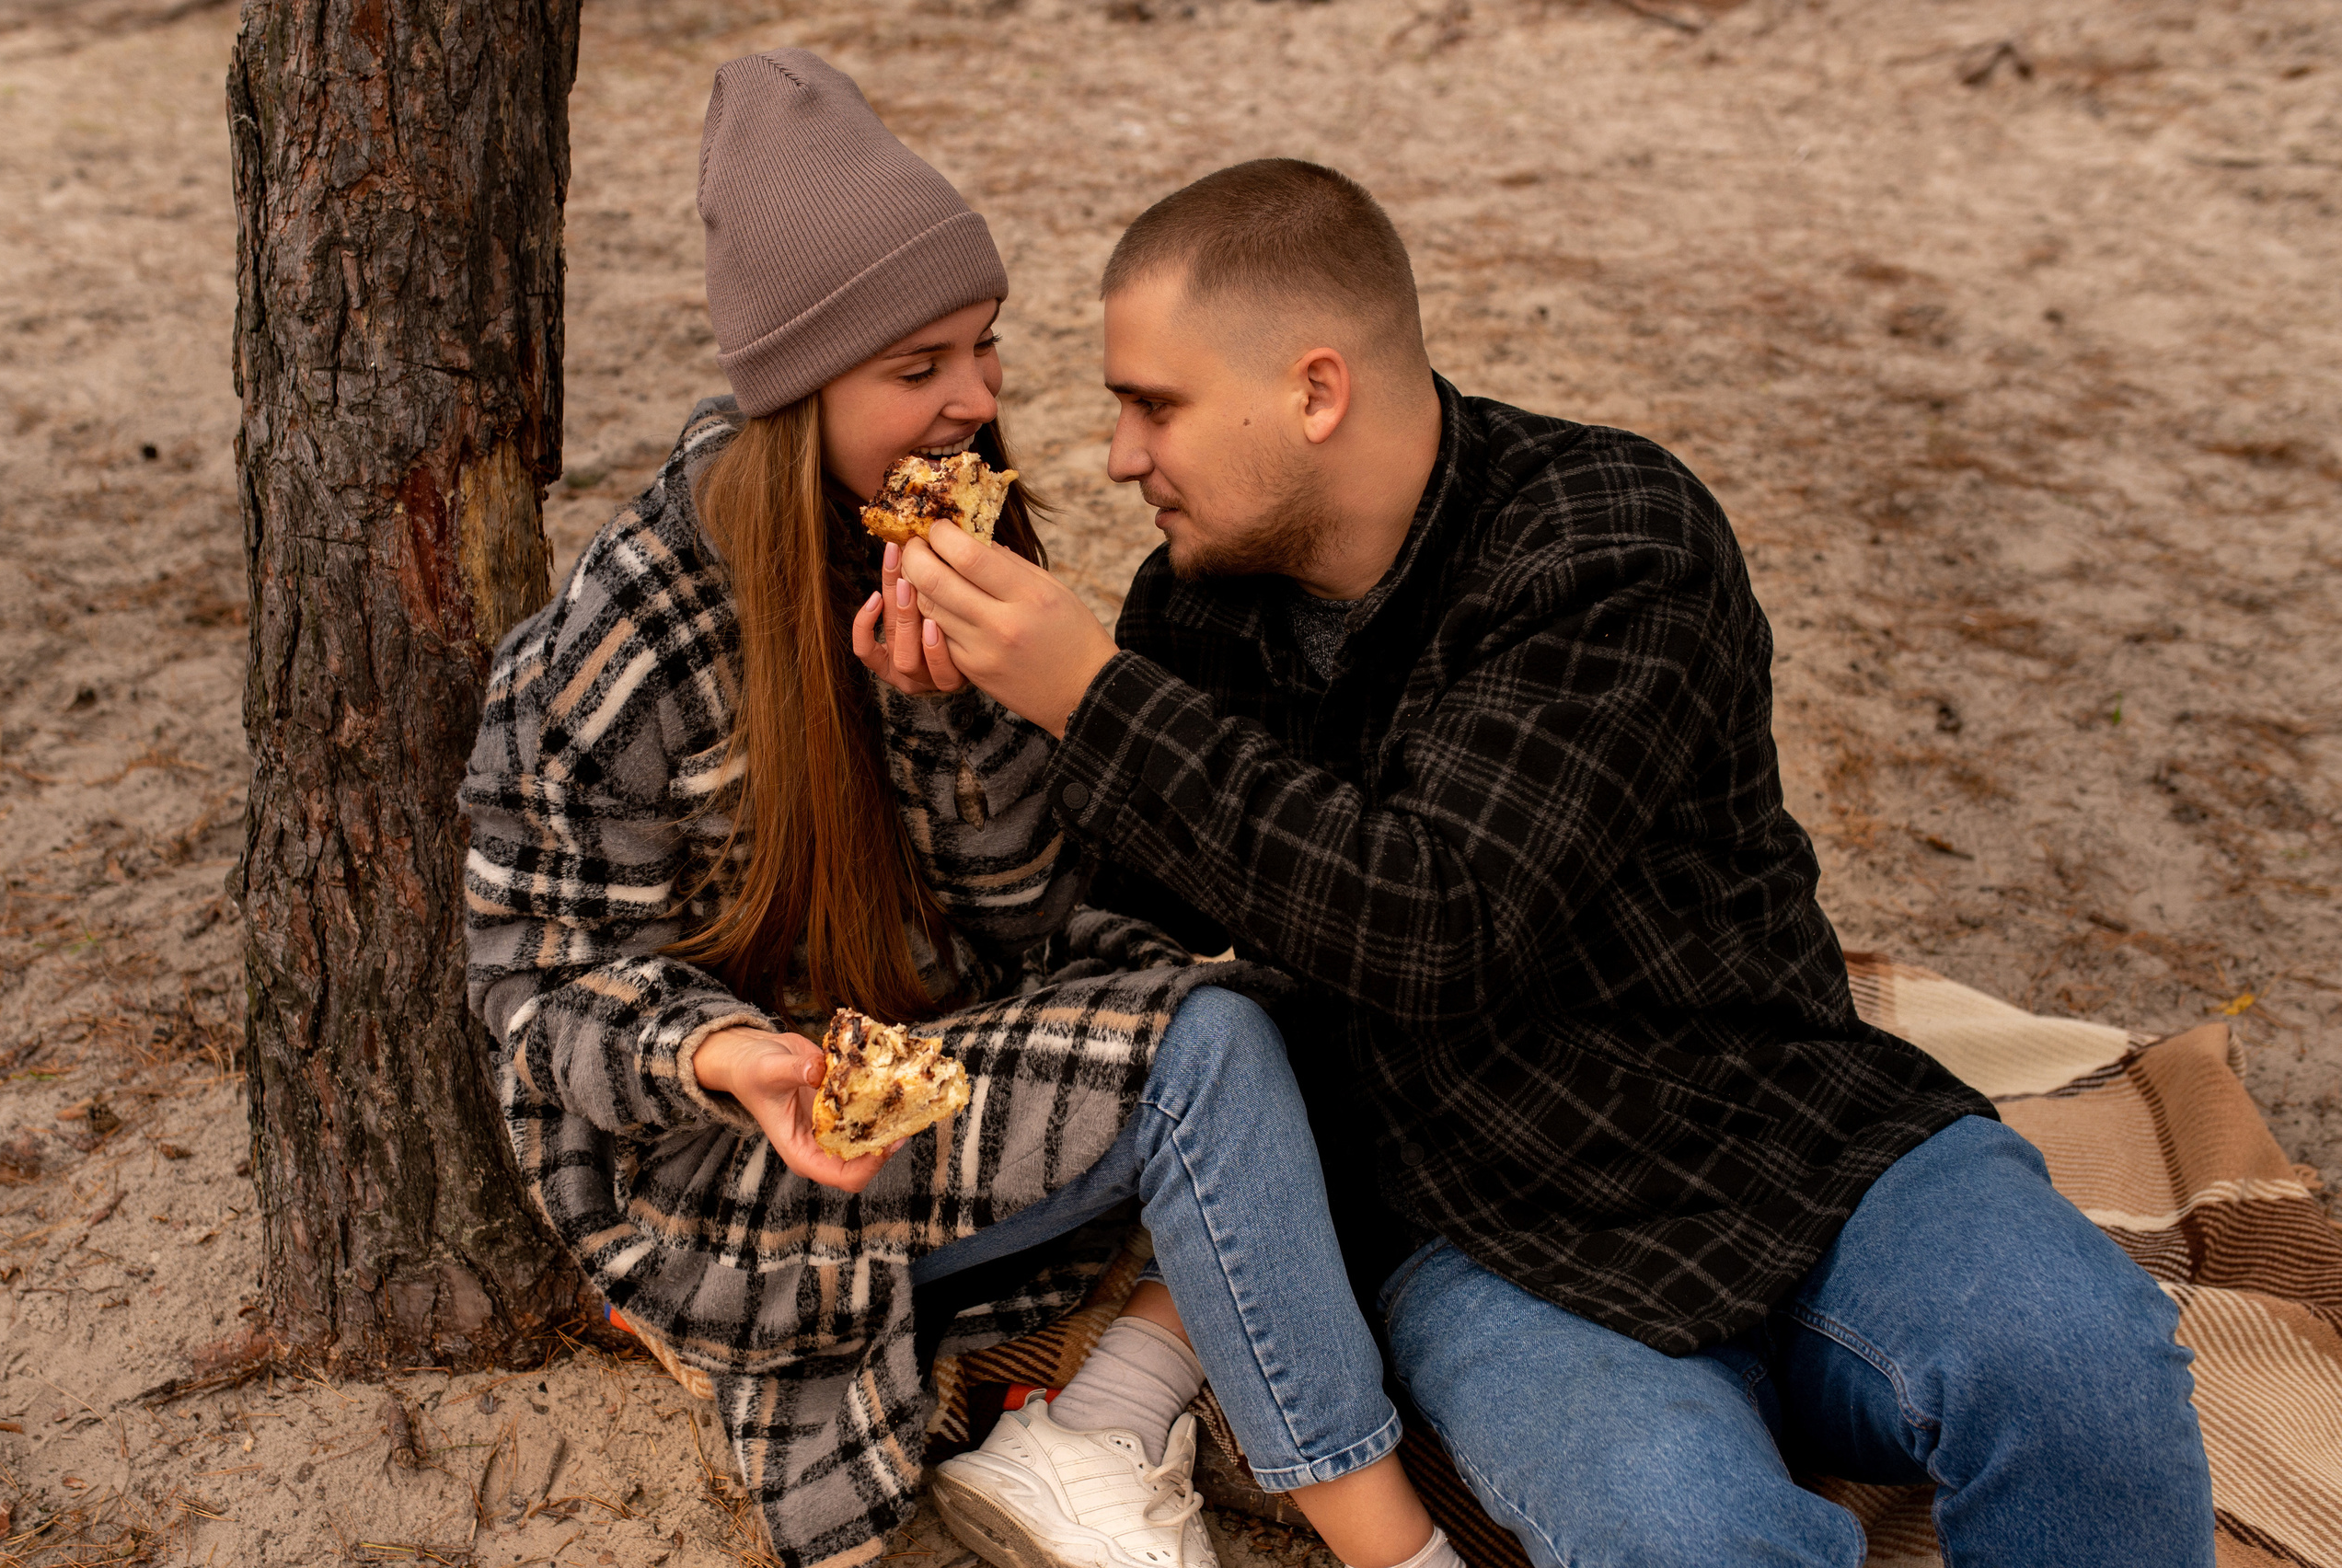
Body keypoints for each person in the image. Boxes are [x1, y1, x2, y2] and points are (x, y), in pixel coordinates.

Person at [897, 158, 2220, 1567]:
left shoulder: (1608, 538)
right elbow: (1095, 921)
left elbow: (1439, 917)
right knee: (1688, 1534)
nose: (1113, 455)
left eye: (1150, 404)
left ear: (1315, 391)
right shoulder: (1199, 612)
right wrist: (965, 719)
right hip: (1484, 1234)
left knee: (2085, 1364)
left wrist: (1097, 697)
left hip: (1779, 1139)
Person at [459, 64, 1457, 1568]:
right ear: (802, 391)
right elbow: (532, 1001)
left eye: (981, 348)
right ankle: (1392, 1546)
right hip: (724, 1160)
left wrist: (956, 718)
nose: (979, 401)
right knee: (1215, 1058)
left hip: (921, 1077)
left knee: (1300, 1001)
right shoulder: (628, 641)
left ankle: (1107, 1425)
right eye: (921, 365)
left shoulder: (957, 535)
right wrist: (721, 1052)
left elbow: (1023, 924)